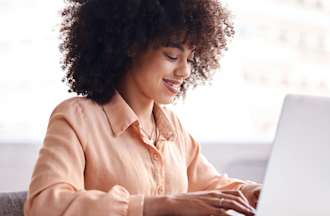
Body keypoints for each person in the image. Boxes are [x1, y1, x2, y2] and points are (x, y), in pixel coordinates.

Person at [24, 0, 262, 215]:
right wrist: (154, 205)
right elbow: (44, 206)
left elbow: (212, 186)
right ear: (132, 45)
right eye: (171, 56)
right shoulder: (76, 119)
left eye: (190, 59)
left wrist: (256, 193)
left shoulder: (172, 129)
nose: (185, 71)